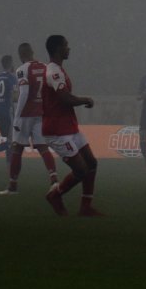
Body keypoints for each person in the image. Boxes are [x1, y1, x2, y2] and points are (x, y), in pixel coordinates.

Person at [37, 34, 102, 217]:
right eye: (66, 45)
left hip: (69, 127)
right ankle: (55, 195)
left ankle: (86, 207)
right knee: (81, 170)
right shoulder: (53, 72)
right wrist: (85, 100)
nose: (69, 48)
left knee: (92, 163)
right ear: (58, 49)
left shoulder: (58, 70)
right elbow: (64, 98)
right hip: (56, 131)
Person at [3, 40, 60, 196]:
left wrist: (17, 116)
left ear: (21, 55)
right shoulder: (44, 67)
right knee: (42, 147)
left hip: (26, 114)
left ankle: (13, 186)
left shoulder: (22, 69)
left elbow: (25, 93)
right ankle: (54, 180)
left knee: (17, 148)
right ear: (32, 52)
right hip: (41, 113)